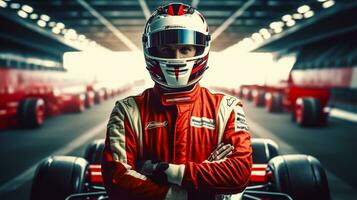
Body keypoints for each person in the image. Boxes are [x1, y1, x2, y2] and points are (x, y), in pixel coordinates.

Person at [101, 3, 252, 200]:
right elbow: (118, 180)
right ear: (151, 50)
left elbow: (238, 174)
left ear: (201, 49)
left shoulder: (228, 108)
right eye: (166, 49)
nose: (177, 58)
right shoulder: (127, 110)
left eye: (186, 49)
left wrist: (162, 171)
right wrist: (189, 192)